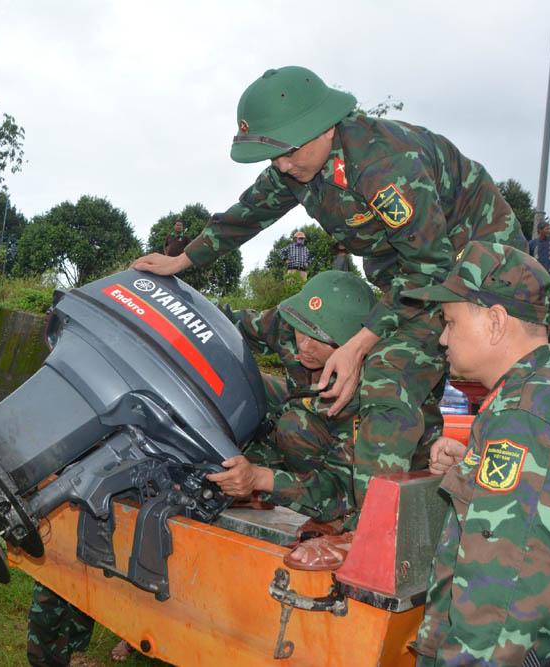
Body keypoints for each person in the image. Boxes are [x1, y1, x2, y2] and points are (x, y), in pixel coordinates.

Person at [132, 65, 527, 516]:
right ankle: (406, 474)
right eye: (272, 156)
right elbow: (247, 213)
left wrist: (360, 344)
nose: (280, 165)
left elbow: (429, 268)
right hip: (412, 274)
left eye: (285, 152)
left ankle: (372, 530)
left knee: (387, 373)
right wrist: (183, 260)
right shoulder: (299, 164)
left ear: (320, 129)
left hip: (474, 274)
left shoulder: (384, 168)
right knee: (400, 372)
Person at [403, 241, 550, 665]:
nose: (443, 338)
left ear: (496, 321)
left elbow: (497, 611)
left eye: (450, 321)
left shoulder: (524, 417)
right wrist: (471, 463)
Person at [208, 271, 375, 566]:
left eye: (321, 339)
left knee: (294, 425)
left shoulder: (370, 396)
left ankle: (333, 521)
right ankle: (259, 486)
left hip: (338, 478)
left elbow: (338, 489)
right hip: (300, 410)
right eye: (301, 330)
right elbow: (223, 322)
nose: (304, 346)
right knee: (239, 383)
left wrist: (260, 477)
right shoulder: (293, 323)